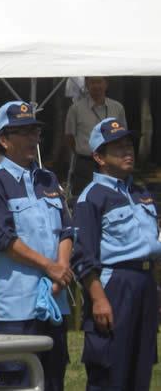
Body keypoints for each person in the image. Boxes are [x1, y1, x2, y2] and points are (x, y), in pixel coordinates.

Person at [0, 101, 73, 391]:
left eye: (35, 131)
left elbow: (67, 229)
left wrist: (62, 269)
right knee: (18, 382)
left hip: (55, 302)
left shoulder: (49, 179)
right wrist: (50, 267)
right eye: (24, 132)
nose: (33, 138)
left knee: (54, 380)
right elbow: (3, 240)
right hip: (16, 308)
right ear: (4, 140)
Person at [71, 117, 161, 390]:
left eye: (129, 145)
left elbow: (151, 244)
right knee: (110, 368)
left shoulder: (140, 191)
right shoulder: (93, 197)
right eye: (118, 148)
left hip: (145, 283)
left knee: (140, 366)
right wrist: (98, 300)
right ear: (99, 156)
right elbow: (83, 257)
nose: (128, 152)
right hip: (114, 285)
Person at [65, 77, 127, 195]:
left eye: (99, 82)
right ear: (87, 85)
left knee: (113, 196)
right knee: (83, 196)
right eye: (92, 82)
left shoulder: (118, 108)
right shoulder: (76, 109)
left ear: (106, 84)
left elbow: (123, 135)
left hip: (112, 161)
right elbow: (69, 136)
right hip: (86, 163)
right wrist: (81, 151)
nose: (96, 86)